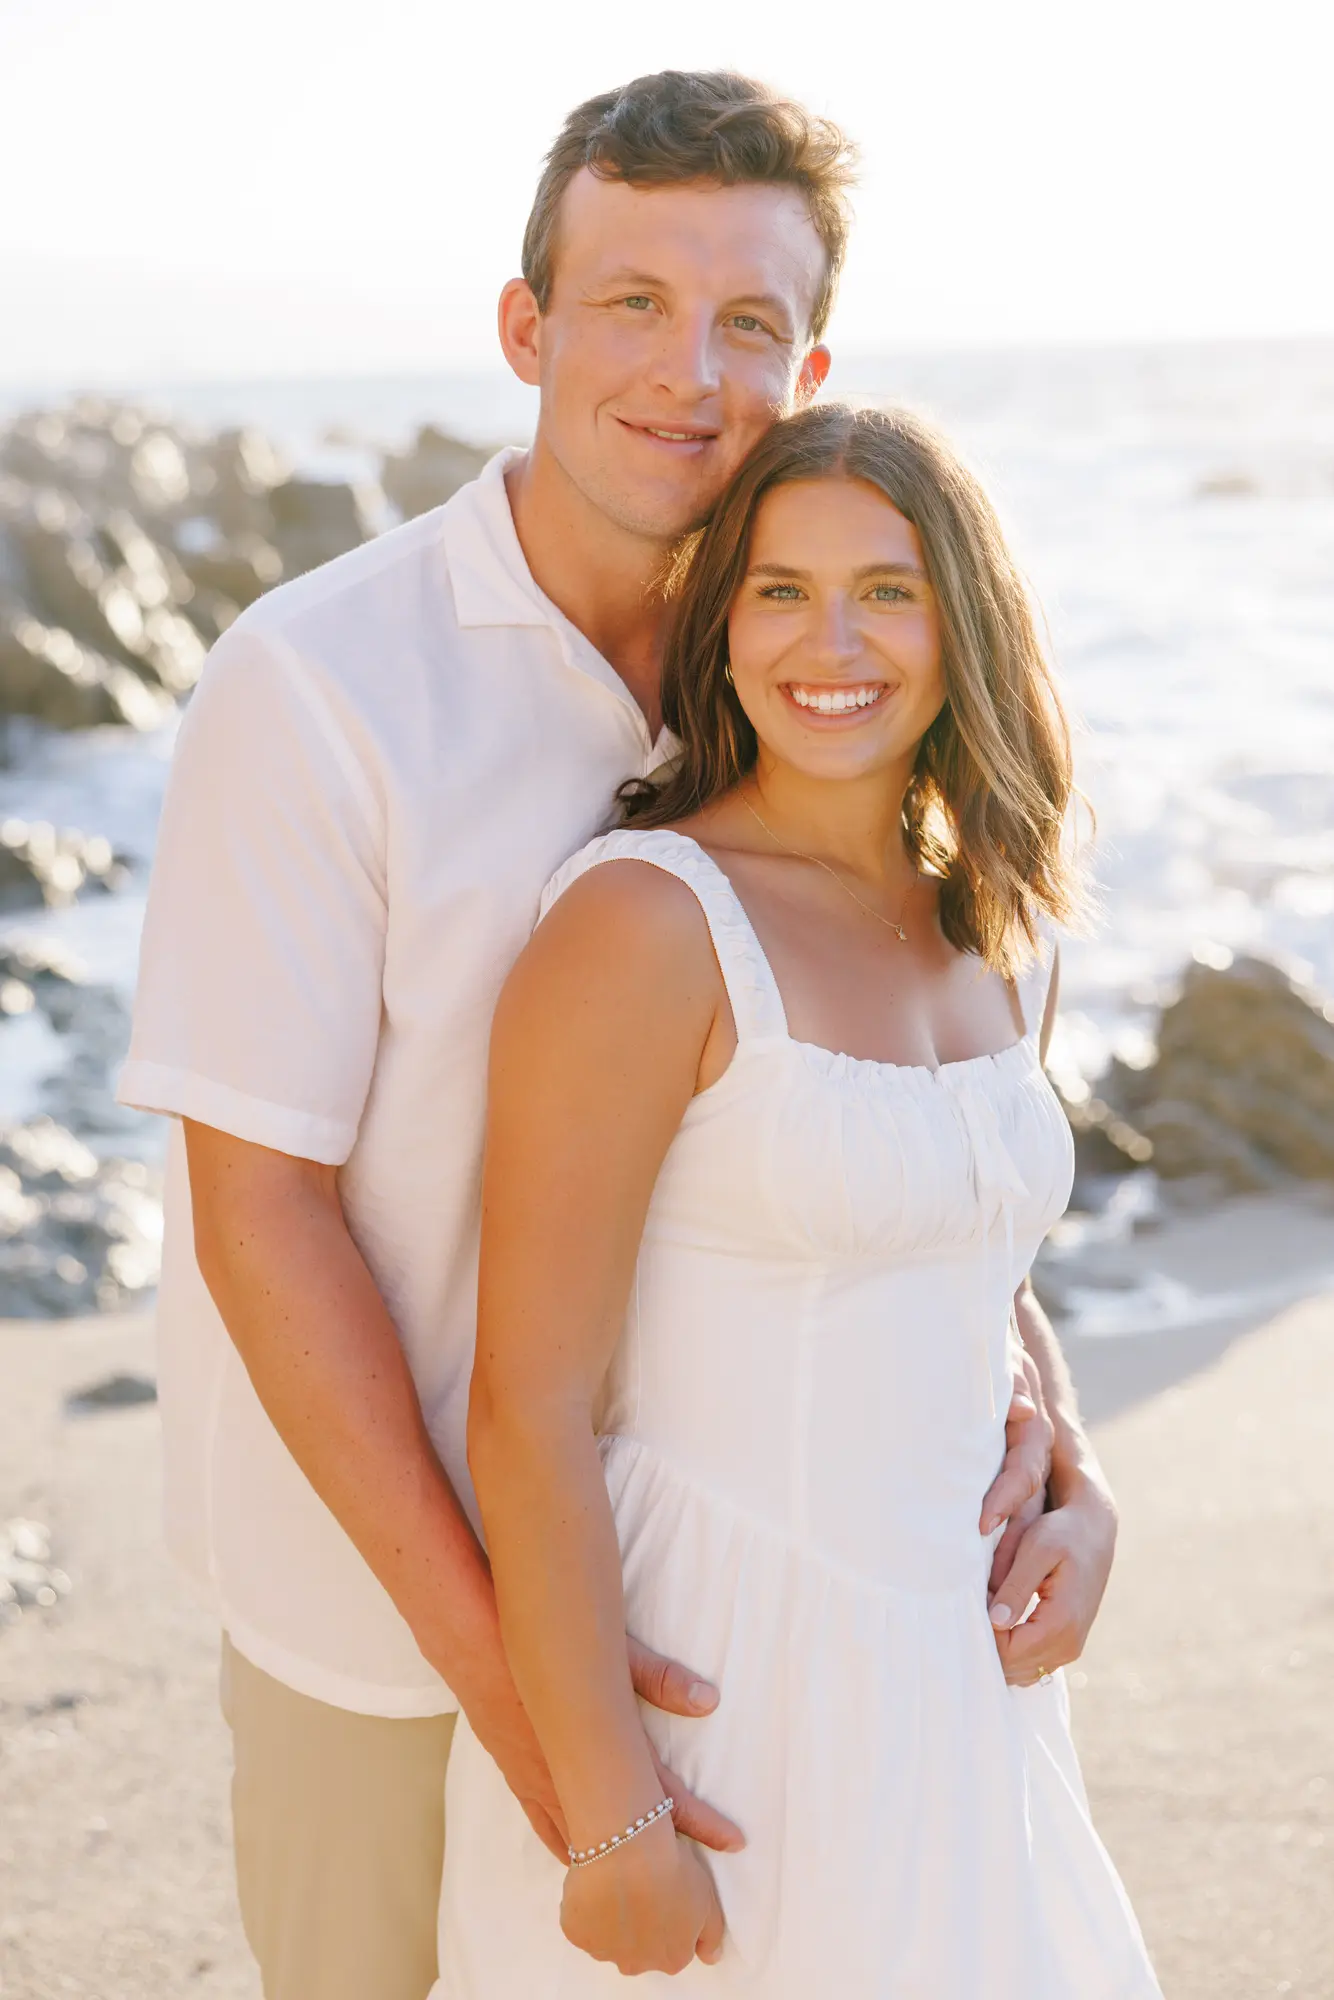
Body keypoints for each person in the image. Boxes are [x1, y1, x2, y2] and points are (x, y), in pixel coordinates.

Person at [119, 72, 1116, 2000]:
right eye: (631, 302)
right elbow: (261, 1217)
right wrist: (555, 1734)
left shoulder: (794, 671)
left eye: (747, 319)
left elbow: (854, 1121)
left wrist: (1051, 1440)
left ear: (808, 354)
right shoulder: (320, 686)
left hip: (719, 1607)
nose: (688, 369)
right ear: (527, 331)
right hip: (378, 1609)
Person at [438, 402, 1159, 1997]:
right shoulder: (643, 922)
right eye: (779, 589)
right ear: (721, 620)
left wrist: (1084, 1490)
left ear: (960, 618)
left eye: (886, 590)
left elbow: (974, 1259)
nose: (830, 641)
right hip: (722, 1691)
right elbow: (527, 1405)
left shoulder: (984, 918)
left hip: (955, 1695)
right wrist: (609, 1817)